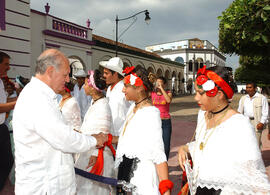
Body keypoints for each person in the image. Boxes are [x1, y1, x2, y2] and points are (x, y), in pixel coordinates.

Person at [12, 49, 108, 195]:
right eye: (65, 75)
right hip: (44, 186)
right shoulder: (37, 98)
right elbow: (64, 139)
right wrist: (95, 140)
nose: (68, 80)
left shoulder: (41, 96)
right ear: (50, 71)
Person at [178, 66, 270, 195]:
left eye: (201, 93)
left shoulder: (239, 124)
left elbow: (253, 174)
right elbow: (206, 145)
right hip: (198, 186)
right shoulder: (203, 115)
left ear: (219, 94)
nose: (196, 98)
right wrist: (185, 149)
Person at [115, 66, 173, 195]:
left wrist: (165, 187)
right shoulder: (133, 108)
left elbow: (158, 152)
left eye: (126, 86)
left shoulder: (150, 112)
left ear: (139, 87)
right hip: (126, 168)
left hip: (141, 176)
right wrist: (107, 138)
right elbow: (128, 138)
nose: (123, 90)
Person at [75, 69, 115, 195]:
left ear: (93, 88)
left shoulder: (103, 105)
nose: (85, 86)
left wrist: (95, 154)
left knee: (93, 189)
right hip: (89, 150)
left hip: (96, 156)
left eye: (87, 84)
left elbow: (103, 131)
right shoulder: (96, 102)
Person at [99, 57, 131, 136]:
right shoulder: (109, 88)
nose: (104, 75)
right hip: (110, 133)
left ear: (115, 74)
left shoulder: (125, 88)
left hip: (121, 134)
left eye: (106, 73)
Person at [0, 52, 17, 192]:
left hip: (2, 128)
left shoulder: (0, 81)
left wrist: (20, 98)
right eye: (6, 64)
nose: (8, 67)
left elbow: (4, 102)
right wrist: (17, 102)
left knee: (7, 161)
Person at [238, 82, 269, 147]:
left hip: (257, 122)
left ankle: (257, 156)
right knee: (246, 141)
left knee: (256, 142)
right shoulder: (243, 98)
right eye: (247, 87)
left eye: (250, 87)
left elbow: (265, 112)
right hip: (246, 122)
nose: (248, 89)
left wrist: (261, 122)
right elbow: (239, 111)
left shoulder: (262, 98)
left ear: (255, 88)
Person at [151, 76, 173, 160]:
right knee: (155, 144)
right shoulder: (152, 93)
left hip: (165, 121)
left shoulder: (168, 92)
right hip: (155, 122)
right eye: (157, 82)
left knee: (166, 145)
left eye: (160, 83)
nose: (158, 84)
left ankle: (165, 162)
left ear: (164, 84)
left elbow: (168, 100)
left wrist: (161, 89)